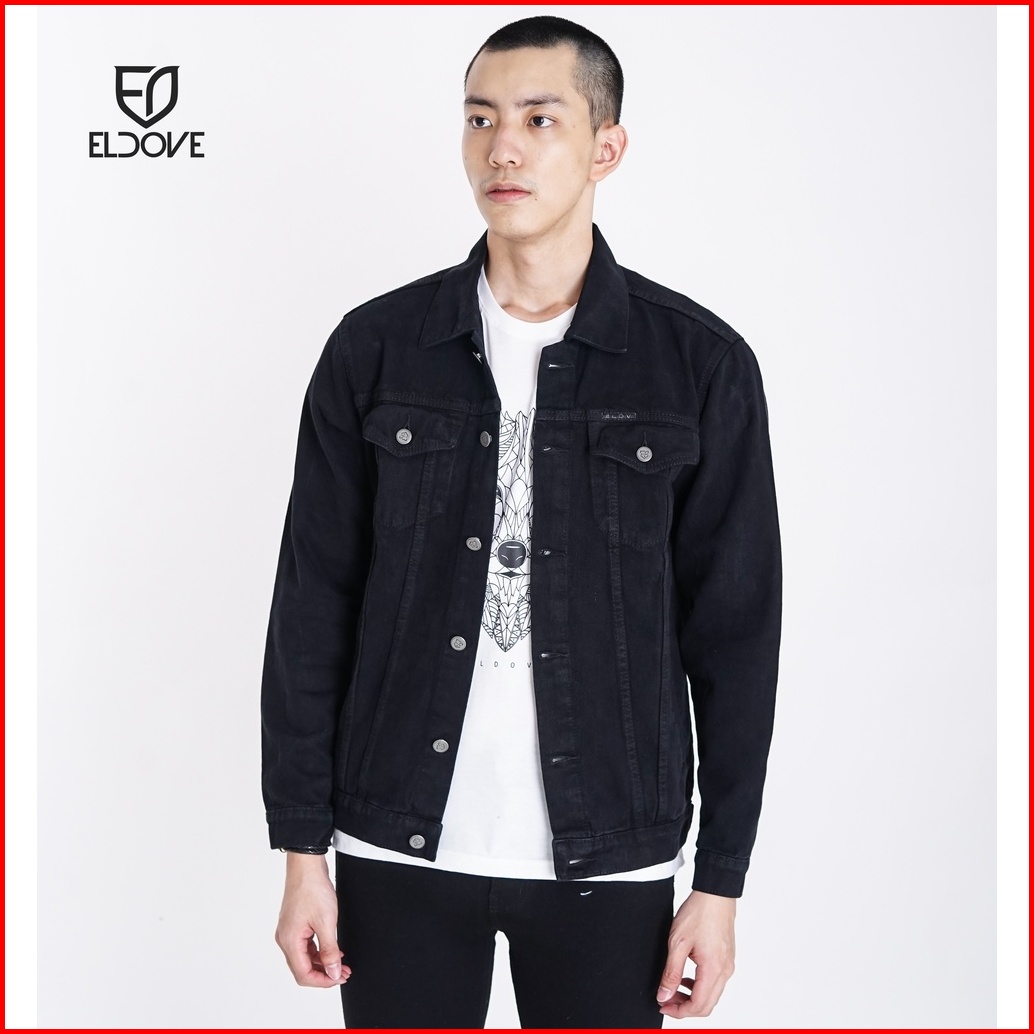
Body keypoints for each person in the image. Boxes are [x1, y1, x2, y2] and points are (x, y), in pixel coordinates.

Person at [261, 14, 781, 1029]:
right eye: (480, 118)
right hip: (394, 842)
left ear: (605, 147)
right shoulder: (375, 350)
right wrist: (302, 851)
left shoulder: (697, 366)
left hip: (611, 851)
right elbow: (311, 607)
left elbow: (735, 637)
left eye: (540, 119)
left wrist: (719, 882)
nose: (502, 147)